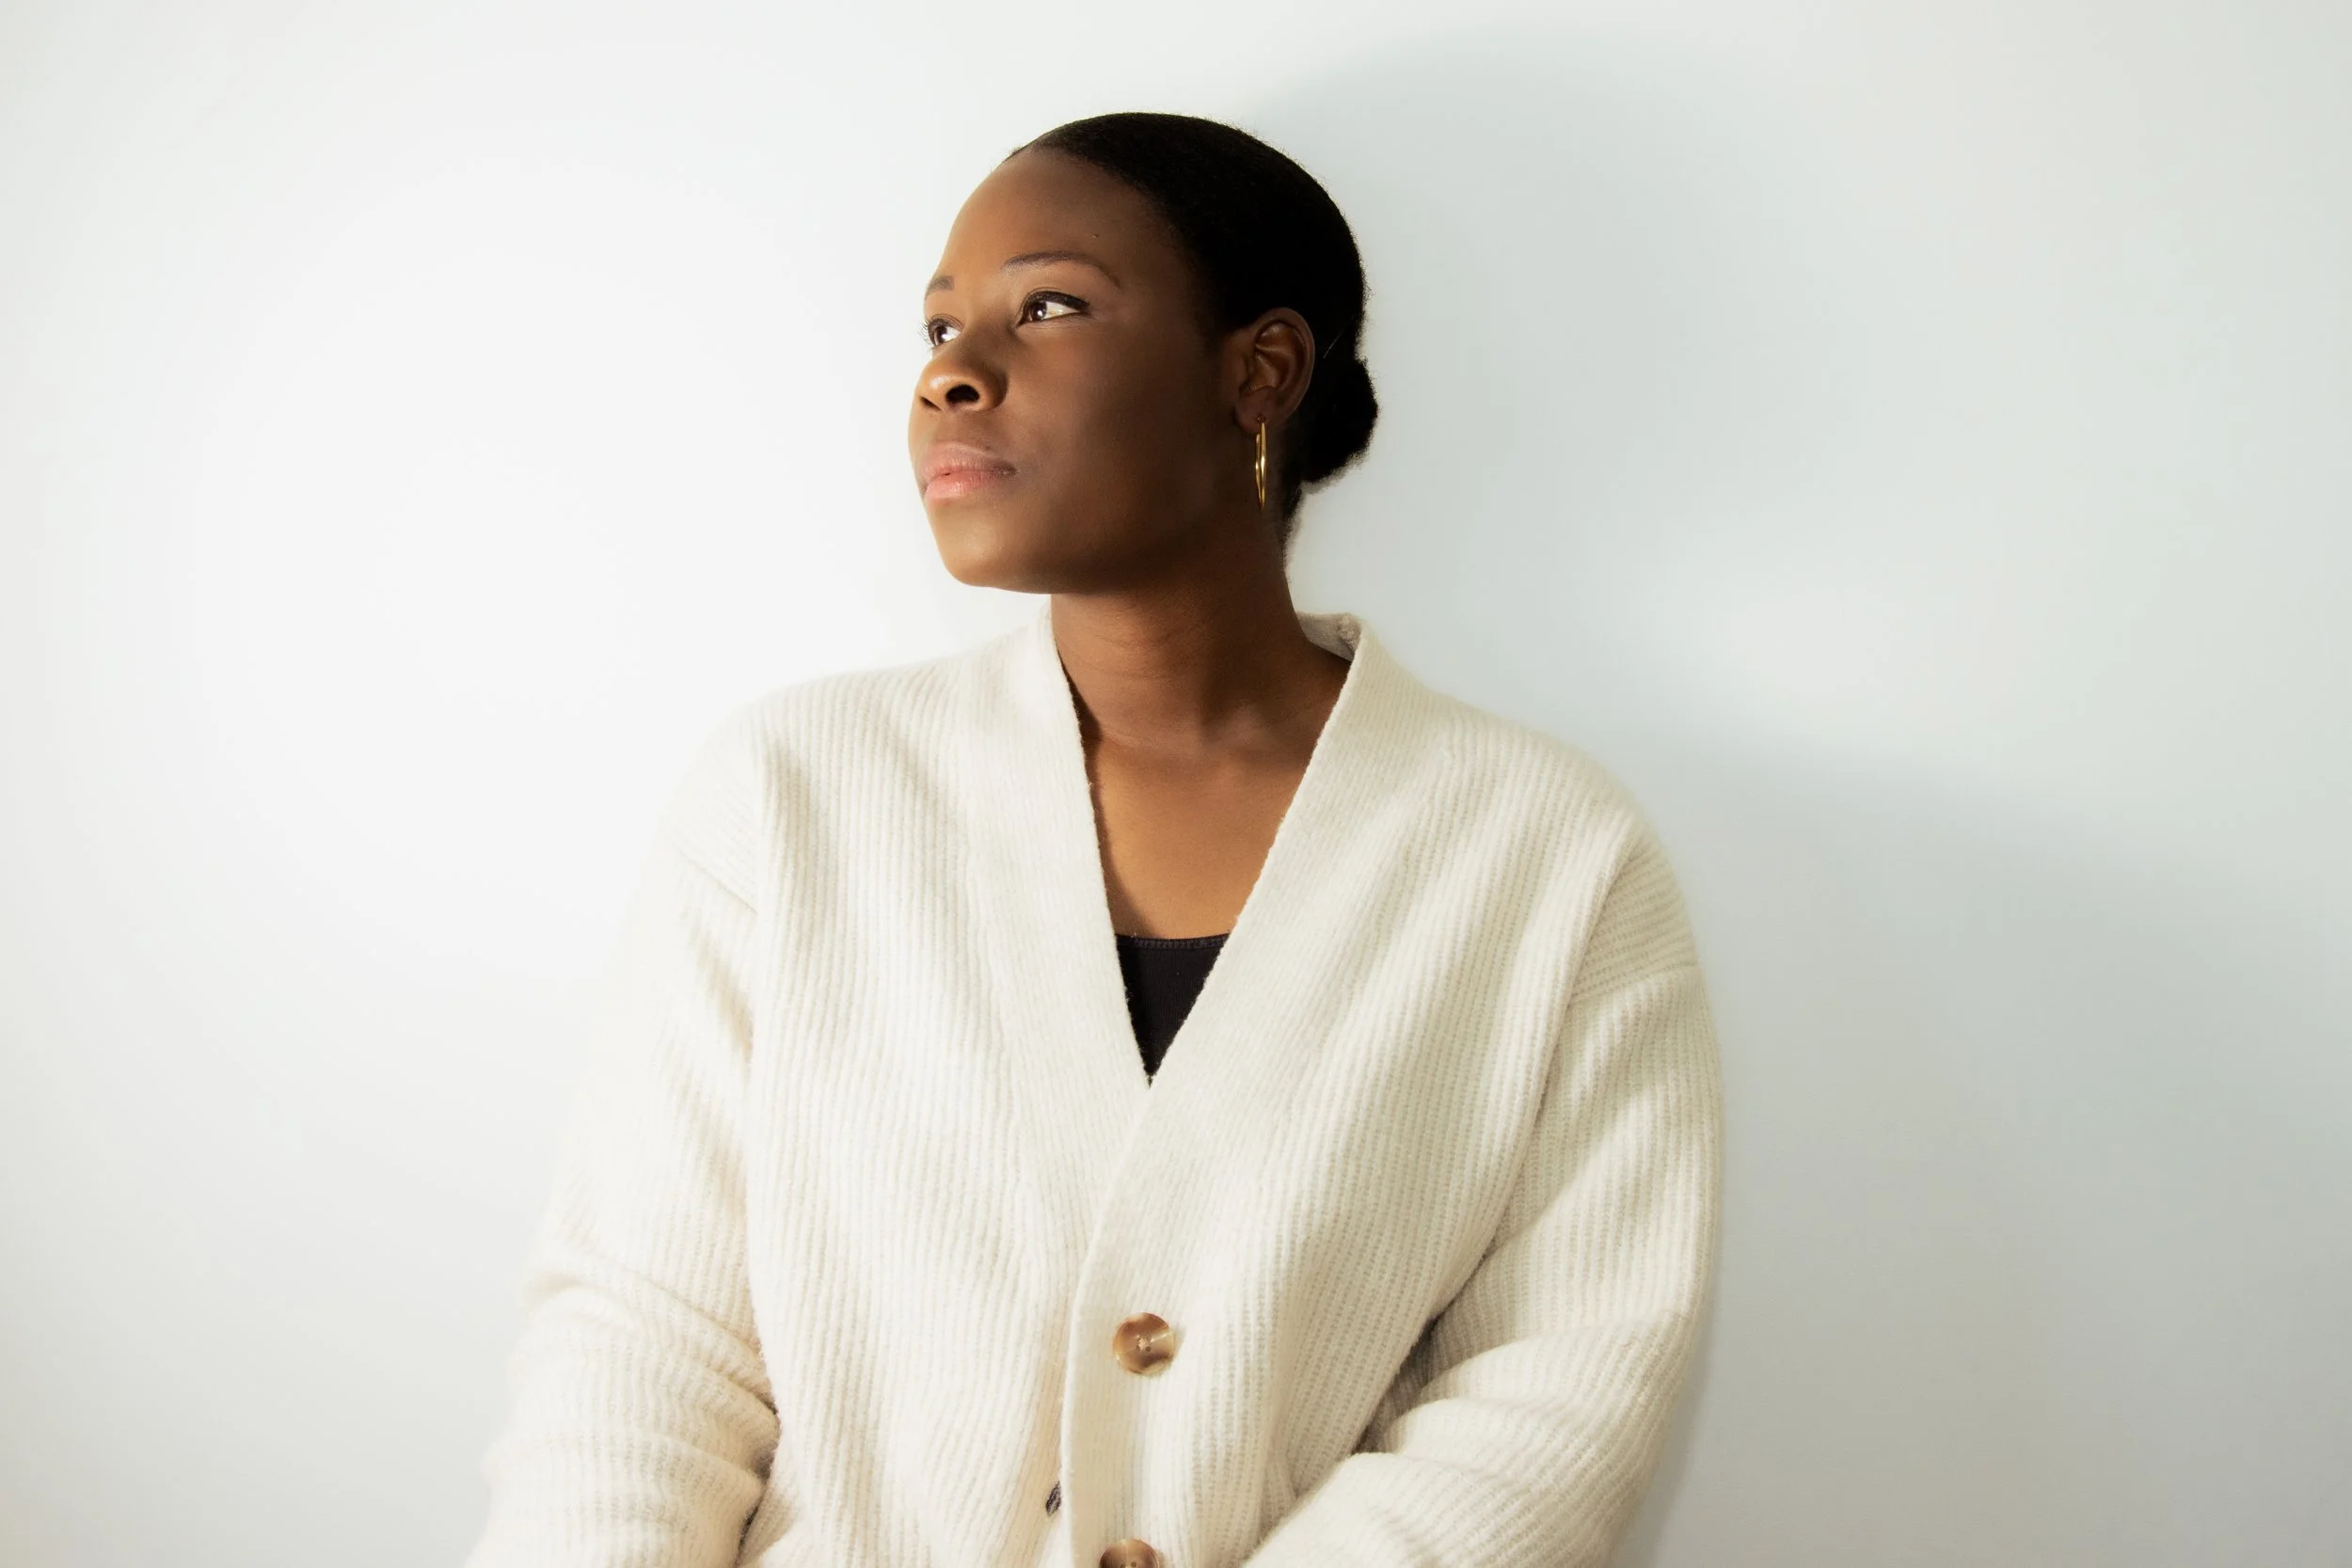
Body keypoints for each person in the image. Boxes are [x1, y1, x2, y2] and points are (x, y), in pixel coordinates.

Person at [466, 111, 1724, 1568]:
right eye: (939, 324)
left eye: (1047, 306)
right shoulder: (792, 799)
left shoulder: (1545, 862)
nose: (951, 369)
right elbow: (642, 1339)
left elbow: (1559, 1391)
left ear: (1259, 372)